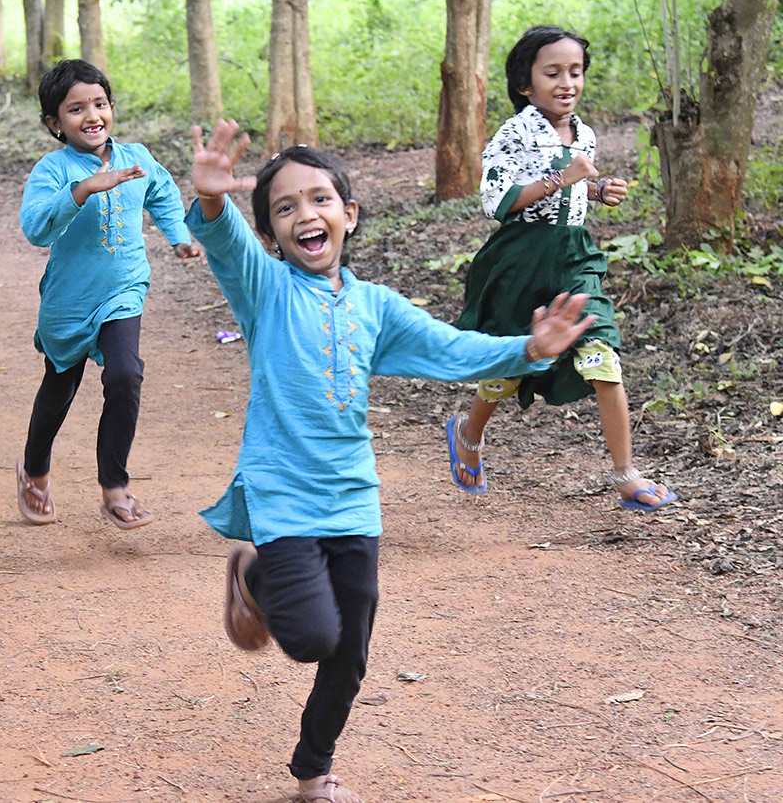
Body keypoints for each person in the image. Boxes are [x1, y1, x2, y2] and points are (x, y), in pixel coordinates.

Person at [186, 121, 597, 803]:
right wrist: (209, 204)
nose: (303, 215)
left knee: (349, 656)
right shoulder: (266, 290)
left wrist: (526, 350)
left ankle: (312, 770)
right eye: (284, 208)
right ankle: (253, 573)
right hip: (283, 494)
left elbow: (449, 348)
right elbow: (227, 246)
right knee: (315, 637)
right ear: (271, 234)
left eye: (318, 200)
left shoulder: (376, 308)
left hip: (353, 499)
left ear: (348, 215)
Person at [446, 25, 676, 511]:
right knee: (513, 366)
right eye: (552, 73)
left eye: (575, 72)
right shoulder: (514, 133)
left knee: (602, 354)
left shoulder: (584, 134)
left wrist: (598, 190)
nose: (566, 82)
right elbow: (497, 201)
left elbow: (576, 185)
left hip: (575, 256)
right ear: (526, 84)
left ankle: (626, 475)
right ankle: (468, 434)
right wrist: (560, 179)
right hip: (519, 261)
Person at [16, 59, 201, 529]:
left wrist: (178, 235)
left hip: (124, 289)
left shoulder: (136, 157)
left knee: (125, 375)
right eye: (76, 109)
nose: (92, 115)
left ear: (111, 106)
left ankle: (115, 487)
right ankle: (34, 470)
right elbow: (36, 228)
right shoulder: (52, 169)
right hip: (68, 300)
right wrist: (79, 191)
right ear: (54, 123)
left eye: (99, 103)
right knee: (59, 389)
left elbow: (160, 194)